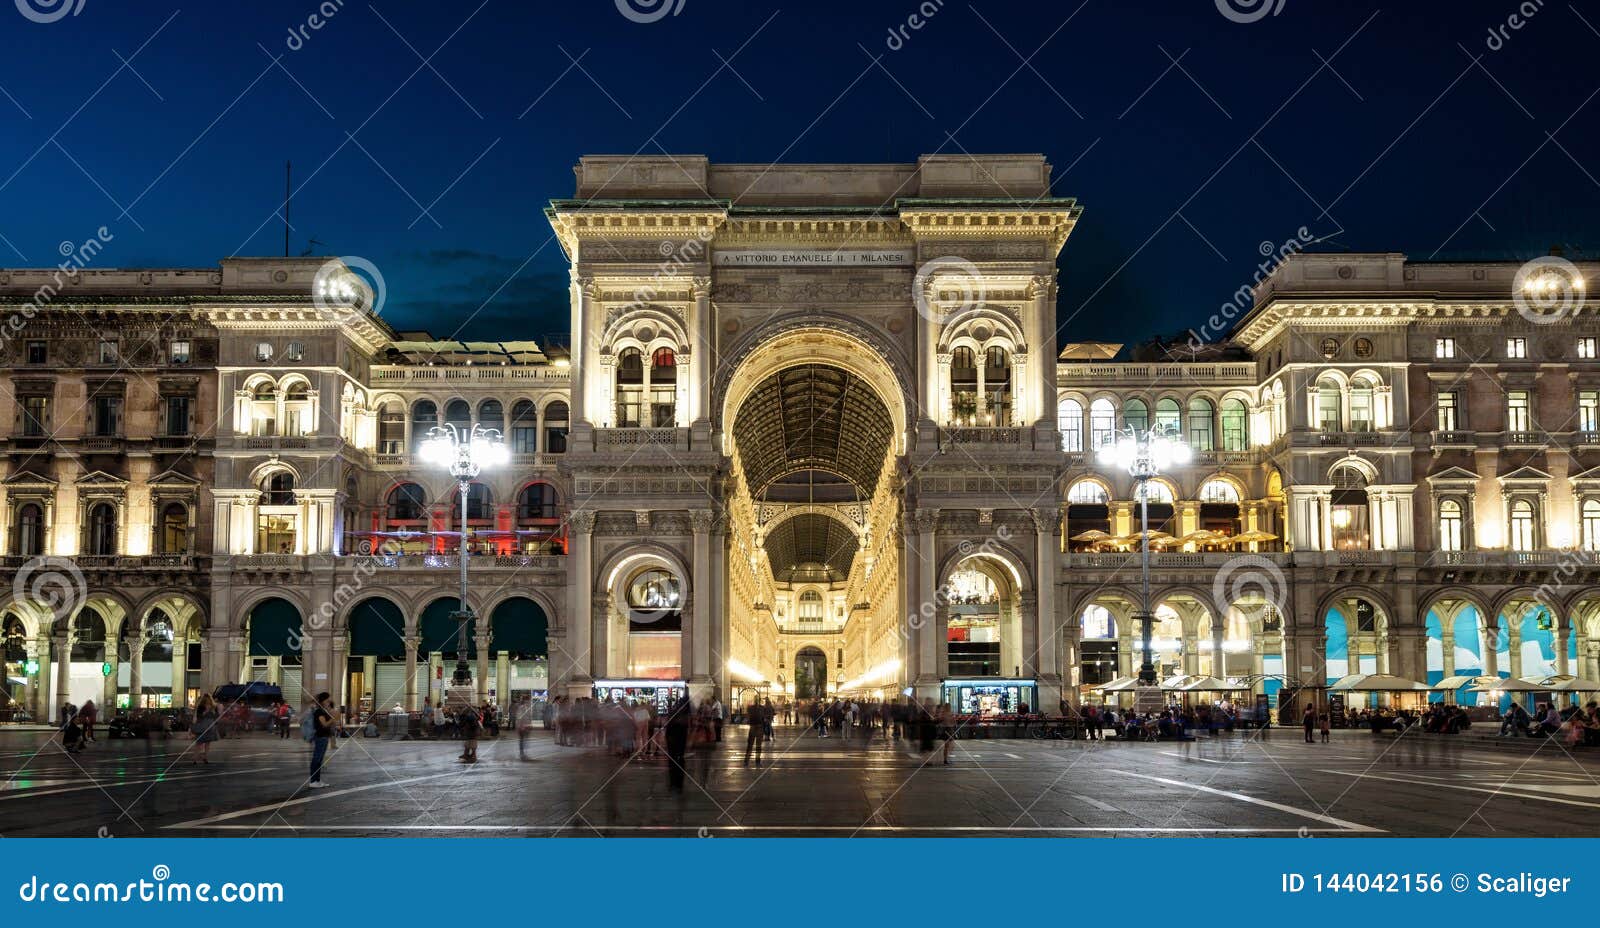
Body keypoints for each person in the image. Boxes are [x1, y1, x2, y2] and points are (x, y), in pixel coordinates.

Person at [664, 696, 692, 793]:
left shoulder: (676, 711)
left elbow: (668, 727)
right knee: (679, 761)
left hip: (673, 741)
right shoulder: (684, 713)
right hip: (678, 741)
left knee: (674, 761)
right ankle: (677, 784)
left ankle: (674, 784)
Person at [309, 692, 335, 787]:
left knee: (319, 760)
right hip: (320, 737)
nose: (329, 701)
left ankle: (317, 780)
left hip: (323, 737)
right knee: (317, 759)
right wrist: (333, 719)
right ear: (323, 700)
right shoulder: (319, 711)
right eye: (327, 700)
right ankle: (313, 781)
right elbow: (324, 724)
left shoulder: (322, 710)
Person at [192, 694, 219, 763]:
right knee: (199, 742)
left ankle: (205, 757)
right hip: (202, 725)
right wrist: (205, 712)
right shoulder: (201, 707)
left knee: (207, 742)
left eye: (209, 700)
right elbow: (199, 716)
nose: (208, 702)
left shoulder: (213, 707)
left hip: (210, 725)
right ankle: (195, 758)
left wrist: (214, 713)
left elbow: (217, 716)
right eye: (206, 700)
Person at [743, 699, 767, 766]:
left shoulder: (750, 708)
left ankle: (747, 761)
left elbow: (748, 717)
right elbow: (764, 718)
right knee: (758, 746)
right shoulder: (762, 708)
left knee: (750, 745)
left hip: (753, 727)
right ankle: (757, 761)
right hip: (758, 727)